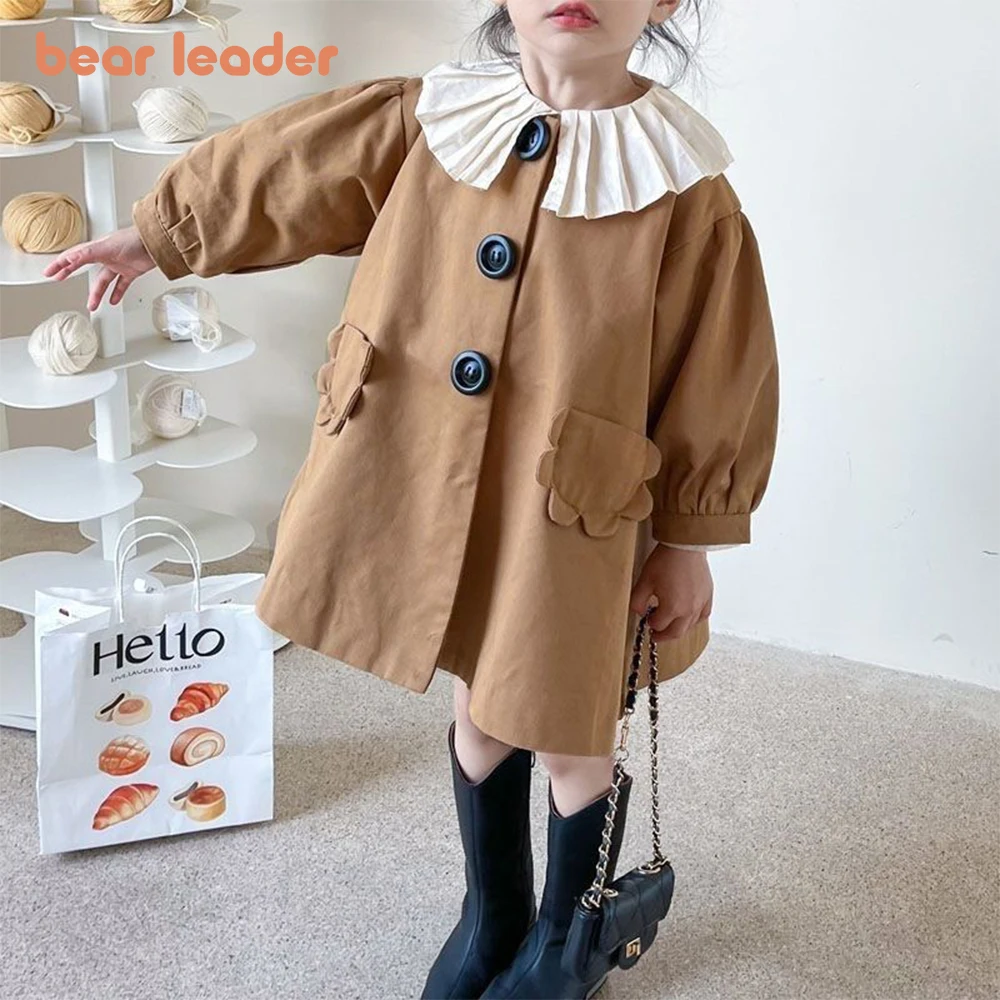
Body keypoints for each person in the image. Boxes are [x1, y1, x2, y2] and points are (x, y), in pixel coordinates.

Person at [46, 1, 779, 996]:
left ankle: (563, 952)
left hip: (573, 510)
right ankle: (493, 916)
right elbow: (285, 170)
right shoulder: (429, 122)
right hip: (430, 470)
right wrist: (156, 235)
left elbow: (720, 370)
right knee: (482, 696)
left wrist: (688, 537)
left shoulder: (682, 190)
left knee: (567, 721)